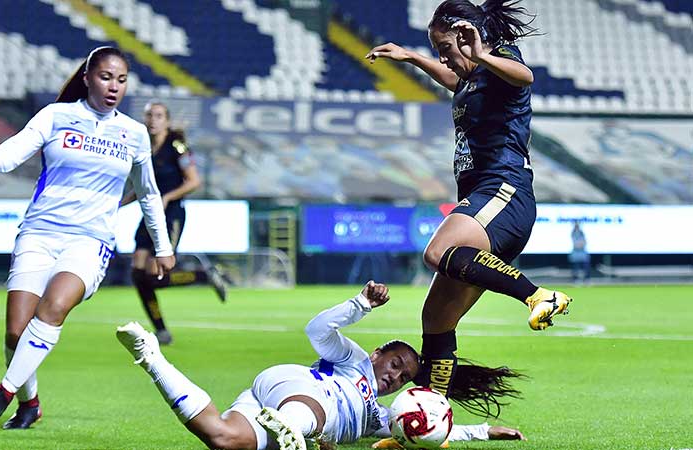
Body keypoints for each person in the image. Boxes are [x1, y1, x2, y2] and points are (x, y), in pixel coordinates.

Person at [366, 0, 573, 399]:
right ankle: (431, 423)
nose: (444, 56)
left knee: (437, 251)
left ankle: (538, 295)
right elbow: (455, 77)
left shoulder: (500, 61)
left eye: (445, 47)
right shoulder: (471, 78)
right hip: (484, 200)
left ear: (466, 37)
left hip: (503, 191)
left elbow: (524, 76)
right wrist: (412, 57)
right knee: (436, 320)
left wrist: (481, 53)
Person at [0, 46, 175, 429]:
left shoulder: (133, 133)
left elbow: (147, 193)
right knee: (16, 331)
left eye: (121, 79)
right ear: (87, 78)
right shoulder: (56, 116)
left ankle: (4, 391)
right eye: (105, 77)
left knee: (54, 306)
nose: (114, 86)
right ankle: (30, 404)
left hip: (90, 240)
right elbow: (17, 147)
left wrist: (162, 247)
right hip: (39, 232)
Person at [116, 281, 525, 450]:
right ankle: (294, 431)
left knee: (224, 440)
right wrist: (360, 304)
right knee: (318, 412)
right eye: (395, 363)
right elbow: (318, 328)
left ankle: (149, 356)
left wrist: (486, 431)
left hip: (271, 403)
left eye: (402, 378)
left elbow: (426, 429)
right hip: (299, 387)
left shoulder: (379, 418)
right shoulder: (353, 361)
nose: (393, 377)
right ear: (379, 353)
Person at [121, 101, 228, 345]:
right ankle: (161, 330)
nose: (153, 120)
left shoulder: (177, 147)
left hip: (171, 214)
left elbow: (193, 181)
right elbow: (141, 187)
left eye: (158, 116)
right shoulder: (143, 147)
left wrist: (168, 197)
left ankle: (202, 276)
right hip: (149, 214)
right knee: (138, 273)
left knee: (158, 274)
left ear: (167, 121)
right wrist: (117, 205)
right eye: (149, 115)